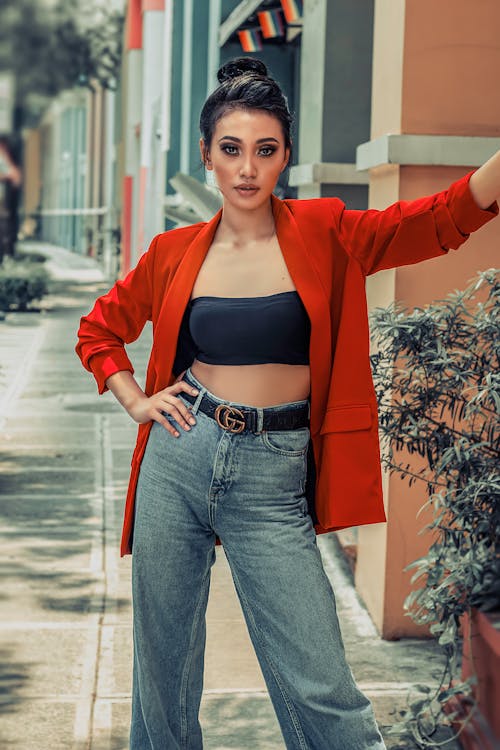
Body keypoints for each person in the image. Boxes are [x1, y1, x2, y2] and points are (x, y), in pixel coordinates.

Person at [76, 57, 499, 750]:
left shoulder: (326, 231)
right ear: (208, 156)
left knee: (319, 681)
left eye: (265, 151)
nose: (247, 169)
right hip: (181, 456)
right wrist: (135, 400)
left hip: (273, 474)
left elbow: (435, 220)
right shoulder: (174, 251)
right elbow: (100, 330)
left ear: (285, 158)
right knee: (162, 666)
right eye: (232, 150)